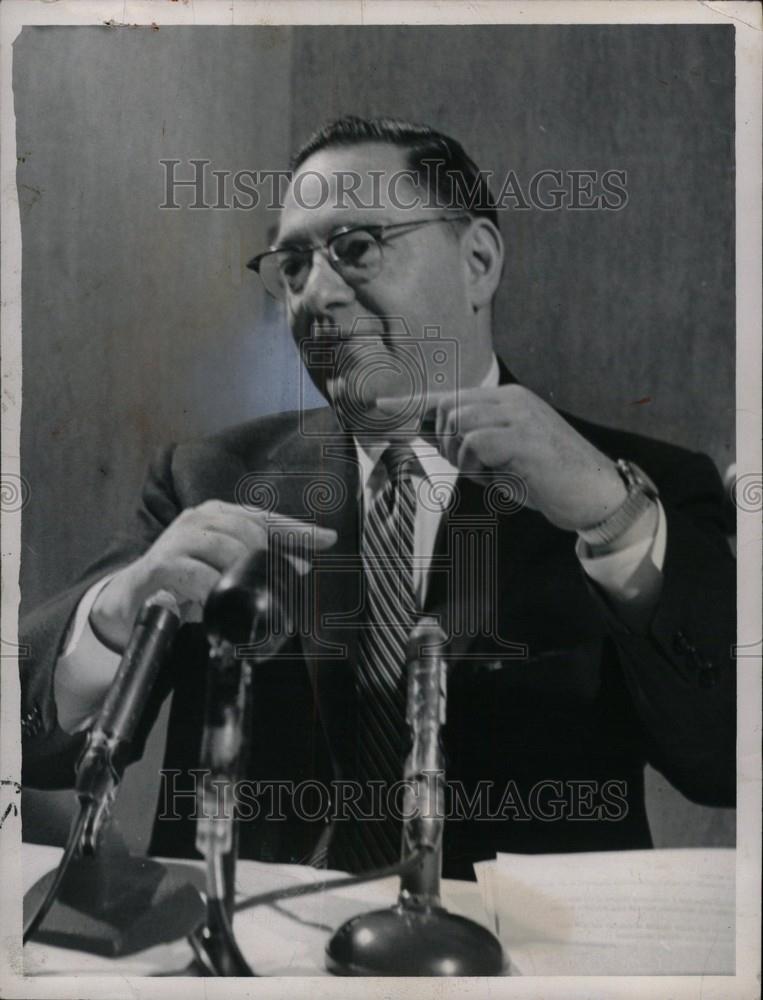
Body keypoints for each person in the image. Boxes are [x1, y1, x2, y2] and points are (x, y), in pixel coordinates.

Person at [20, 117, 735, 880]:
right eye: (292, 265)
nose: (315, 296)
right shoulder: (208, 478)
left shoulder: (638, 486)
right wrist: (116, 611)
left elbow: (726, 765)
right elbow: (27, 746)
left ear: (479, 262)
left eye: (356, 248)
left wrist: (613, 521)